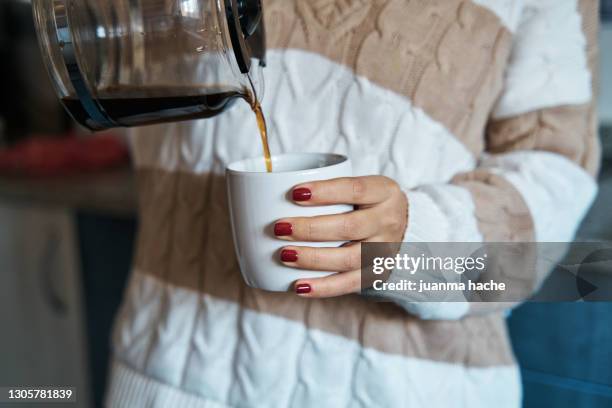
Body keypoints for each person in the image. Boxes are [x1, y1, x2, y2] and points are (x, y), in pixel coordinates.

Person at [106, 1, 600, 406]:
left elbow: (555, 173)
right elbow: (114, 74)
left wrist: (418, 235)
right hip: (171, 374)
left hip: (404, 388)